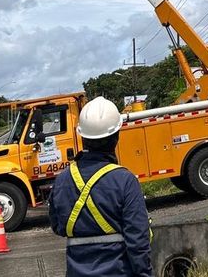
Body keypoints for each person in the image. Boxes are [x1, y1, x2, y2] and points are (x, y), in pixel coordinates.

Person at [49, 97, 152, 277]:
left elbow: (58, 226)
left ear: (82, 136)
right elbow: (138, 241)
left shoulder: (62, 181)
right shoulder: (125, 181)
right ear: (116, 137)